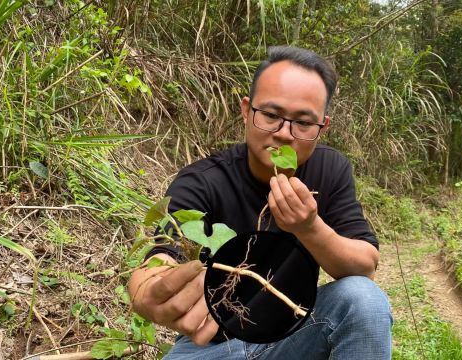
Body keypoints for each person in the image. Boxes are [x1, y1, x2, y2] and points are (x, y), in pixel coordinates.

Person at [128, 46, 393, 359]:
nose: (283, 134)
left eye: (303, 123)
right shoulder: (204, 181)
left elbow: (364, 266)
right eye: (270, 115)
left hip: (293, 337)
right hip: (211, 347)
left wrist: (309, 227)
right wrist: (146, 292)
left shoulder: (330, 171)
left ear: (323, 127)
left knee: (365, 300)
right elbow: (161, 257)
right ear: (246, 110)